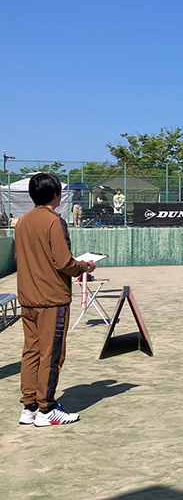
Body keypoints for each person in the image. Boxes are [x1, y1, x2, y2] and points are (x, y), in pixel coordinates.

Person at [15, 173, 95, 427]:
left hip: (28, 297)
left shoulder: (22, 222)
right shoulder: (54, 222)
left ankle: (29, 406)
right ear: (55, 195)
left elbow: (21, 259)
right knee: (51, 355)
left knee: (31, 352)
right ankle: (46, 408)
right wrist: (86, 266)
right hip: (51, 298)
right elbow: (63, 262)